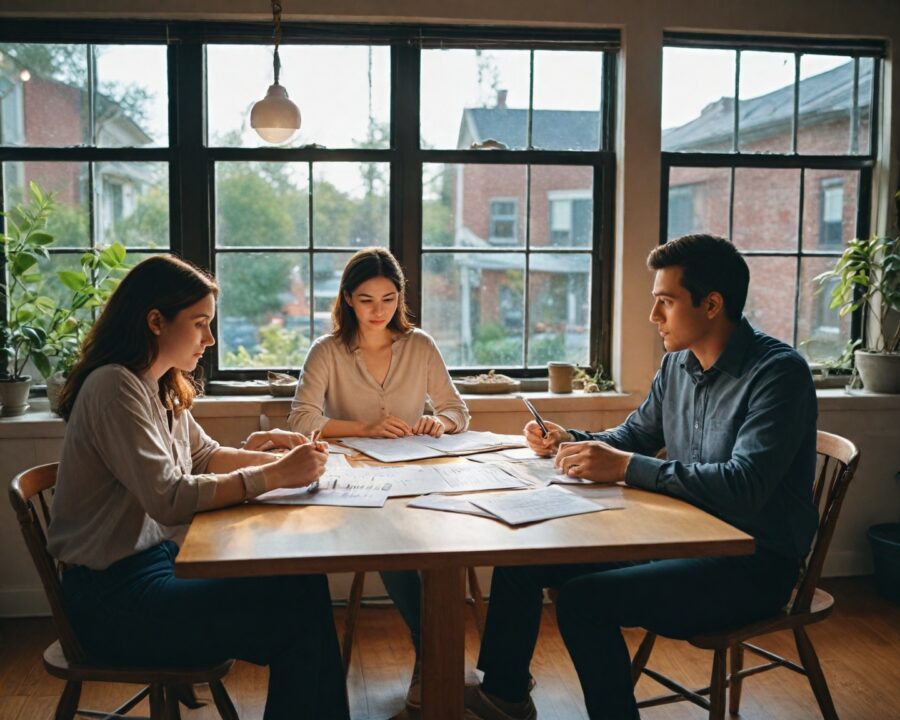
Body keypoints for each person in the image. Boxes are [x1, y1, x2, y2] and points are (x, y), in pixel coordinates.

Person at [464, 234, 820, 720]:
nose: (654, 317)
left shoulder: (779, 374)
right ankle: (504, 697)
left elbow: (744, 486)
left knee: (583, 602)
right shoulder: (678, 364)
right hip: (679, 541)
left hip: (754, 564)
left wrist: (628, 468)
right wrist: (573, 438)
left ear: (712, 304)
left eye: (665, 302)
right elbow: (635, 434)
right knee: (521, 560)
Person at [48, 255, 349, 720]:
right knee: (296, 606)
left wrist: (281, 461)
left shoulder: (157, 384)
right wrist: (275, 475)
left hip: (153, 569)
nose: (209, 339)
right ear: (155, 321)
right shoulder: (113, 387)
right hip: (111, 604)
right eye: (199, 323)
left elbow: (205, 455)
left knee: (302, 582)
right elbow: (168, 500)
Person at [289, 246, 469, 709]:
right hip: (354, 484)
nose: (378, 311)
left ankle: (446, 661)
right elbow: (300, 421)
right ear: (348, 299)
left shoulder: (420, 345)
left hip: (416, 475)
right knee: (392, 543)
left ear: (400, 298)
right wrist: (364, 428)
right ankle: (434, 656)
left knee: (447, 542)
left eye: (389, 299)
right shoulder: (327, 350)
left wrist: (439, 423)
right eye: (367, 299)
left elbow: (456, 410)